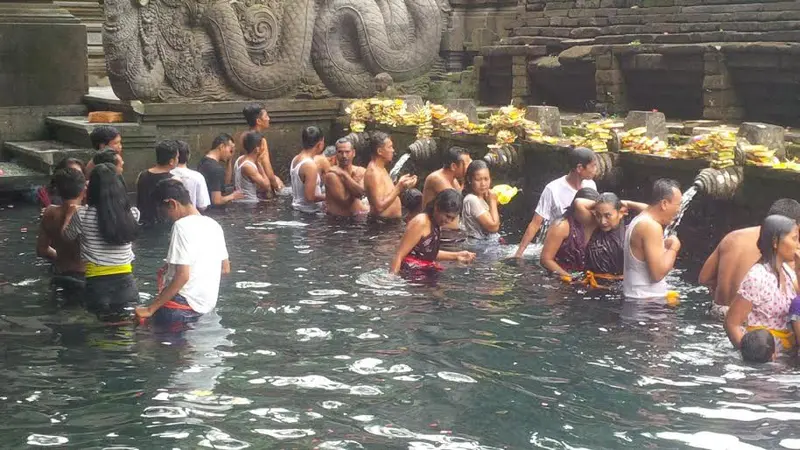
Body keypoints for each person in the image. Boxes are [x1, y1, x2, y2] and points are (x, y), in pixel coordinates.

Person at [135, 179, 230, 325]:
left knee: (143, 338)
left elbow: (183, 275)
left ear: (172, 204)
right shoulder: (214, 225)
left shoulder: (181, 226)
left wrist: (150, 309)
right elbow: (225, 269)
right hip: (206, 308)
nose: (165, 218)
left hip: (179, 309)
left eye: (163, 212)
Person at [63, 163, 140, 322]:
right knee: (125, 333)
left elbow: (66, 237)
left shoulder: (82, 215)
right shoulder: (132, 214)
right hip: (127, 283)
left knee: (100, 334)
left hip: (97, 285)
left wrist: (69, 214)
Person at [699, 199, 800, 318]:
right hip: (751, 320)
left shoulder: (733, 236)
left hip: (716, 312)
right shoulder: (785, 251)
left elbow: (704, 279)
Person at [724, 215, 799, 353]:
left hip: (784, 354)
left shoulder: (788, 272)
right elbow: (732, 323)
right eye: (794, 239)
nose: (798, 245)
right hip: (763, 357)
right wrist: (754, 357)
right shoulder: (758, 277)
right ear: (775, 242)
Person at [514, 147, 598, 258]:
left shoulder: (590, 185)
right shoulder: (552, 189)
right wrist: (519, 253)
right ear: (579, 168)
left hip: (584, 240)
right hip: (559, 243)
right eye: (593, 166)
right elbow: (535, 223)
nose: (596, 169)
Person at [390, 189, 476, 274]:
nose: (448, 221)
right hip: (411, 272)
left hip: (423, 270)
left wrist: (457, 255)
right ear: (437, 207)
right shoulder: (420, 222)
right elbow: (399, 255)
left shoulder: (436, 224)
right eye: (447, 216)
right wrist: (392, 281)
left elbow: (429, 253)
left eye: (452, 218)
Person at [623, 178, 683, 299]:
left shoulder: (641, 219)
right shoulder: (651, 227)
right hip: (647, 304)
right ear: (664, 204)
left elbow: (649, 207)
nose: (679, 210)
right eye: (678, 205)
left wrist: (629, 203)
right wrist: (674, 248)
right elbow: (658, 274)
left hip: (638, 298)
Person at [36, 168, 86, 304]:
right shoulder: (88, 215)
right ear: (84, 190)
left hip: (60, 275)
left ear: (57, 191)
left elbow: (42, 250)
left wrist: (61, 255)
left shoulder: (49, 213)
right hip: (85, 278)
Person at [576, 193, 648, 282]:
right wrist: (600, 203)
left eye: (607, 215)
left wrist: (627, 203)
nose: (603, 221)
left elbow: (650, 212)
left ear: (621, 212)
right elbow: (578, 203)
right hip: (593, 284)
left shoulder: (631, 228)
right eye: (598, 215)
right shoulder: (591, 225)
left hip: (622, 285)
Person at [540, 188, 600, 279]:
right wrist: (568, 277)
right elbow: (546, 259)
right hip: (559, 277)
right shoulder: (561, 226)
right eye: (590, 208)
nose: (594, 213)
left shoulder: (597, 223)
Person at [364, 131, 417, 220]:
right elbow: (379, 207)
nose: (393, 150)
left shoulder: (380, 167)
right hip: (381, 226)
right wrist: (399, 188)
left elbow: (386, 193)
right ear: (379, 151)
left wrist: (404, 185)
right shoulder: (373, 173)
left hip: (390, 224)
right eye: (390, 147)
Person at [239, 104, 284, 193]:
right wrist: (277, 187)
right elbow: (267, 166)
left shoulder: (243, 136)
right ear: (259, 121)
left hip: (247, 181)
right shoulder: (261, 141)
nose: (268, 118)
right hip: (260, 183)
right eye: (266, 116)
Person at [136, 140, 179, 226]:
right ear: (171, 161)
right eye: (177, 157)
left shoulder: (142, 175)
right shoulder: (174, 180)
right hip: (163, 226)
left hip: (143, 222)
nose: (178, 160)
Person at [324, 138, 368, 217]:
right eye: (340, 152)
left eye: (347, 152)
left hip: (358, 220)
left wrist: (344, 176)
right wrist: (347, 176)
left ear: (353, 153)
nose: (344, 156)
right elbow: (346, 202)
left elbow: (361, 193)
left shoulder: (361, 170)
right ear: (336, 154)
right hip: (339, 222)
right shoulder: (331, 175)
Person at [197, 133, 243, 207]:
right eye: (230, 150)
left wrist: (229, 161)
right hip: (215, 212)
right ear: (221, 146)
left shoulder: (203, 161)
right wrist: (233, 196)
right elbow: (216, 201)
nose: (231, 153)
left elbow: (225, 182)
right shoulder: (216, 169)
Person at [461, 160, 501, 241]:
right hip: (478, 245)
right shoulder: (471, 200)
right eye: (478, 180)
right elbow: (493, 227)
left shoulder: (483, 197)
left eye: (486, 179)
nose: (483, 184)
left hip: (486, 243)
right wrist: (492, 202)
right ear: (469, 180)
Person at [290, 126, 326, 213]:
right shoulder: (309, 165)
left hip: (297, 210)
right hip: (309, 214)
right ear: (320, 144)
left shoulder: (296, 158)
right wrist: (331, 196)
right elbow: (310, 197)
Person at [235, 132, 274, 203]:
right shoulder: (248, 166)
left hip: (241, 202)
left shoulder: (239, 159)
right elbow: (267, 186)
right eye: (263, 145)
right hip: (249, 204)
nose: (264, 148)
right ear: (257, 149)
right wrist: (259, 164)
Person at [171, 141, 210, 211]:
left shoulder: (166, 175)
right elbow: (203, 206)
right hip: (191, 217)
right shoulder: (198, 177)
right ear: (188, 156)